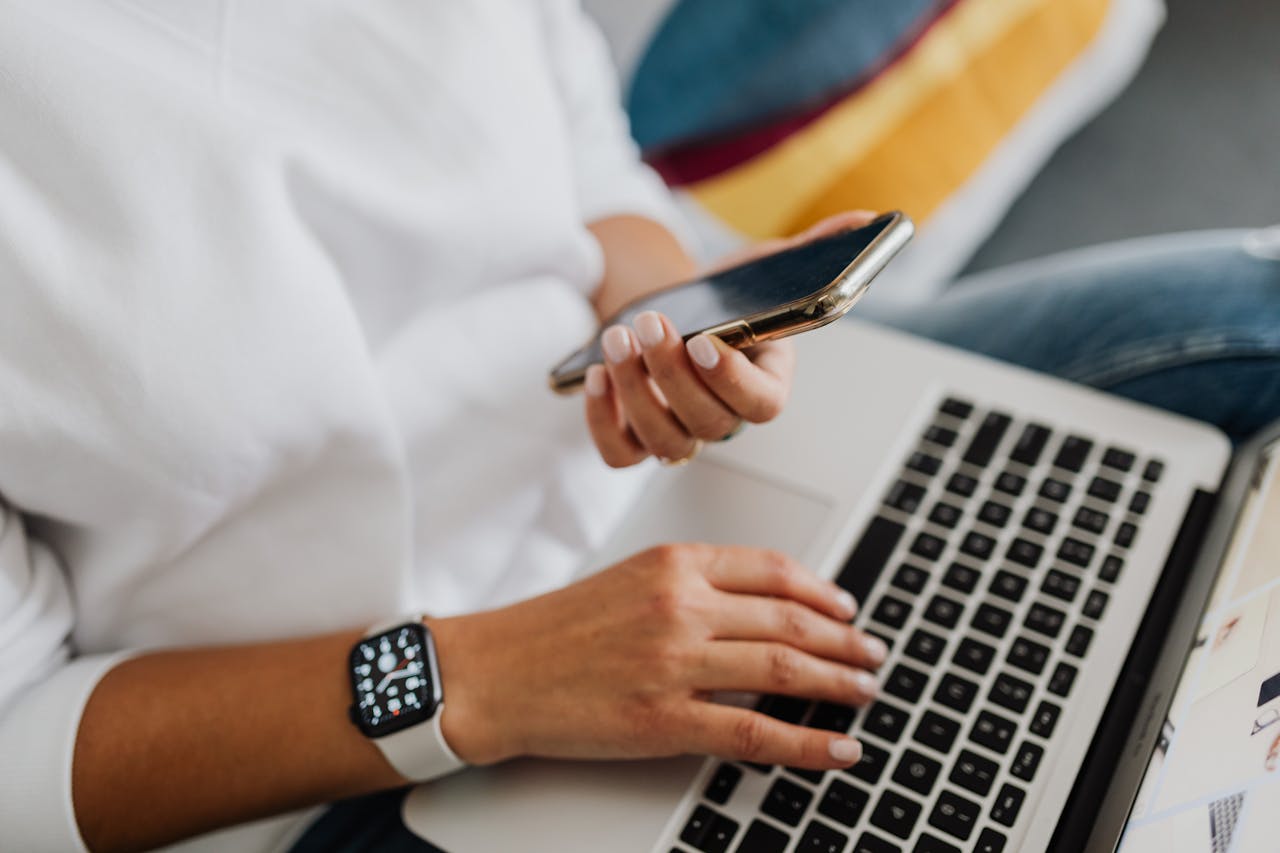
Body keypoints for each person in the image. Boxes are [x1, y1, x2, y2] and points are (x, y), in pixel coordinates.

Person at [0, 4, 1275, 853]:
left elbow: (585, 163)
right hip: (383, 748)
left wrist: (665, 313)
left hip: (712, 475)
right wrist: (487, 673)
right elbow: (15, 762)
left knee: (1251, 312)